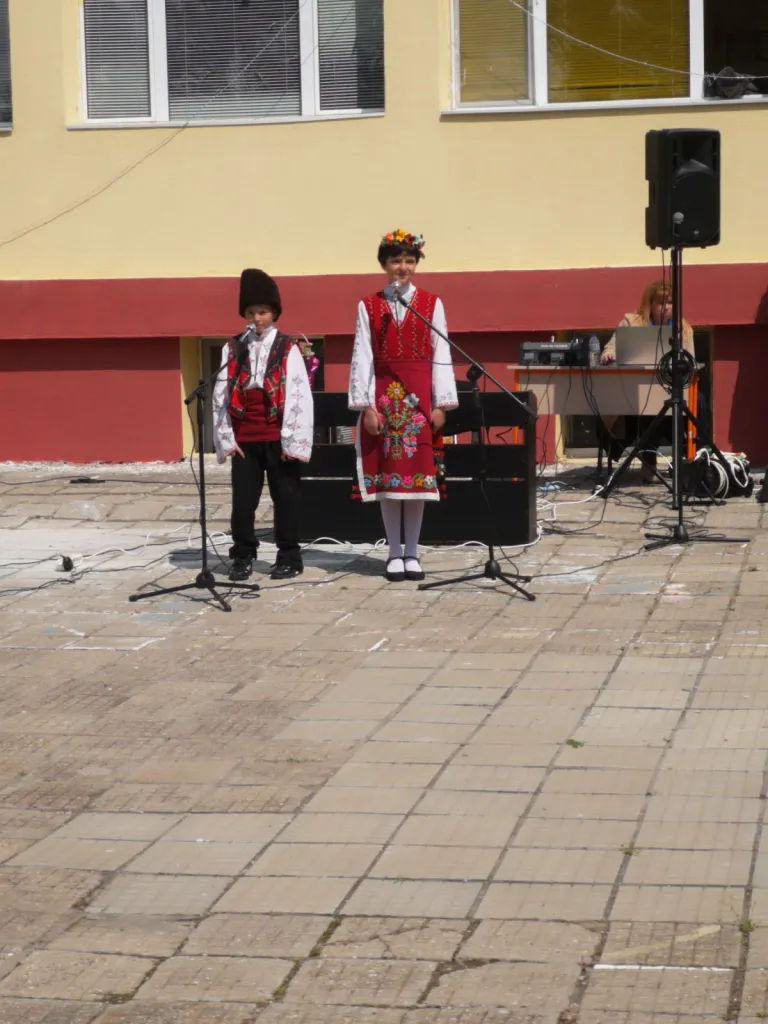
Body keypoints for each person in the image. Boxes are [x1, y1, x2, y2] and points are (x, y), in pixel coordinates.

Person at [349, 229, 458, 582]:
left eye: (410, 261)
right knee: (389, 480)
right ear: (384, 264)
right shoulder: (368, 305)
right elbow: (362, 356)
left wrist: (441, 404)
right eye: (396, 261)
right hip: (383, 398)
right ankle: (393, 552)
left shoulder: (431, 304)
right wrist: (367, 406)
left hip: (420, 398)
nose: (403, 267)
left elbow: (442, 351)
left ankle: (413, 550)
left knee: (417, 481)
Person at [213, 269, 314, 581]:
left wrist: (291, 442)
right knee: (243, 502)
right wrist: (227, 437)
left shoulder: (287, 347)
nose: (256, 319)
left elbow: (298, 394)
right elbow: (221, 393)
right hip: (245, 436)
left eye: (262, 312)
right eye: (250, 313)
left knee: (286, 498)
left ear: (274, 313)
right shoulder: (233, 347)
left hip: (278, 435)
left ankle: (289, 556)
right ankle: (242, 555)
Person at [600, 279, 698, 481]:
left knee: (700, 403)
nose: (666, 307)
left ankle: (692, 460)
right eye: (661, 303)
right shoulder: (632, 323)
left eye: (670, 302)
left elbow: (691, 363)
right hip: (636, 389)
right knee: (650, 403)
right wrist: (609, 354)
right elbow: (611, 347)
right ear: (650, 304)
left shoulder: (683, 327)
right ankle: (649, 462)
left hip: (672, 387)